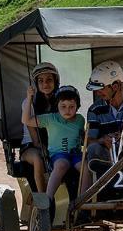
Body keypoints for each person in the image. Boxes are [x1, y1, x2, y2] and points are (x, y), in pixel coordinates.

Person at [22, 84, 84, 203]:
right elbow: (26, 121)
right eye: (63, 106)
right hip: (58, 155)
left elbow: (81, 135)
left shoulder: (80, 120)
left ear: (77, 107)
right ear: (57, 106)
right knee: (62, 165)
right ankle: (48, 199)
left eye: (71, 107)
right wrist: (29, 97)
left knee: (86, 167)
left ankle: (84, 199)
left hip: (76, 154)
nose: (67, 110)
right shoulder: (50, 119)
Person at [80, 61, 123, 193]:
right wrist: (102, 140)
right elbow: (89, 141)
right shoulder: (94, 109)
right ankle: (104, 193)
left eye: (101, 88)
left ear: (115, 86)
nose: (97, 93)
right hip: (105, 155)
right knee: (93, 149)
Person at [19, 62, 59, 192]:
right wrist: (41, 147)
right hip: (31, 146)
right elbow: (31, 129)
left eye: (49, 80)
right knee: (38, 158)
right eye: (41, 81)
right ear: (36, 84)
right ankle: (43, 197)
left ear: (55, 82)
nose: (45, 84)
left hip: (53, 144)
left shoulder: (61, 101)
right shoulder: (29, 102)